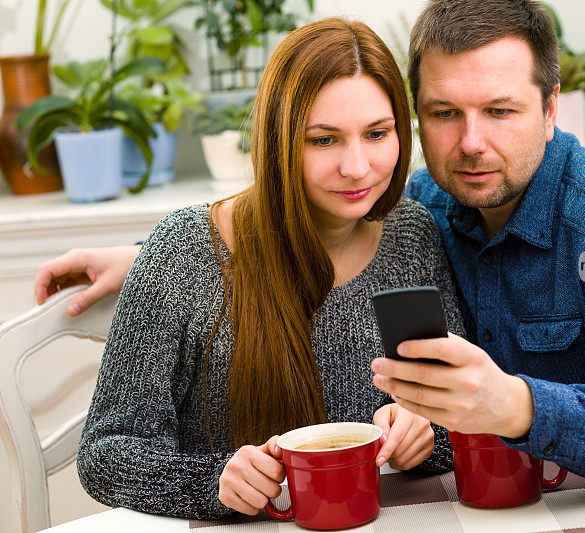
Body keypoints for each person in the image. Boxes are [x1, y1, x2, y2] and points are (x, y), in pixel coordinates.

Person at [38, 1, 585, 490]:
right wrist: (159, 257)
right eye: (444, 114)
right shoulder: (426, 202)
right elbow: (314, 217)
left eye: (500, 111)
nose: (471, 143)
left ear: (551, 106)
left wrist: (512, 405)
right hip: (533, 505)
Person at [72, 18, 464, 520]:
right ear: (279, 140)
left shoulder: (412, 237)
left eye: (377, 133)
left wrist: (426, 437)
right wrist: (215, 481)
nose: (357, 166)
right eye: (323, 140)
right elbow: (105, 454)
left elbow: (465, 413)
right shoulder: (184, 253)